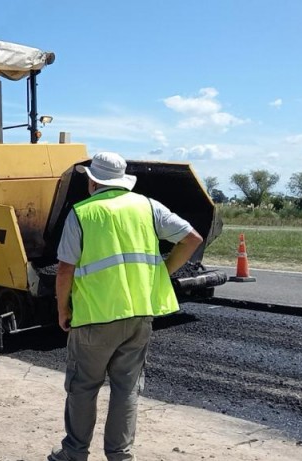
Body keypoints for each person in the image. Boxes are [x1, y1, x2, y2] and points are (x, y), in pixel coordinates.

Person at [48, 152, 204, 461]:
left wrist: (62, 309)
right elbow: (192, 238)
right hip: (139, 315)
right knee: (126, 387)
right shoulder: (147, 206)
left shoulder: (82, 213)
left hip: (95, 315)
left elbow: (65, 269)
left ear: (93, 180)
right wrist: (162, 272)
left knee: (83, 386)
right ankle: (120, 455)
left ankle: (74, 453)